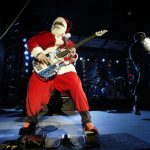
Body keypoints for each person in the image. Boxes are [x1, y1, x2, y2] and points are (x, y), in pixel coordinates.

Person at [19, 17, 98, 135]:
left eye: (60, 24)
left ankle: (87, 121)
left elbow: (71, 59)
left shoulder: (69, 43)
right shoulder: (44, 35)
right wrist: (39, 53)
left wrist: (73, 56)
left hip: (64, 69)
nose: (58, 25)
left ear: (65, 29)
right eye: (56, 23)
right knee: (34, 89)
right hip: (44, 68)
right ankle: (31, 121)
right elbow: (32, 41)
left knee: (76, 85)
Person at [129, 32, 150, 115]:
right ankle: (136, 106)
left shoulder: (147, 44)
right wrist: (139, 66)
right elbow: (134, 59)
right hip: (143, 67)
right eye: (142, 36)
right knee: (141, 85)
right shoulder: (134, 46)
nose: (144, 37)